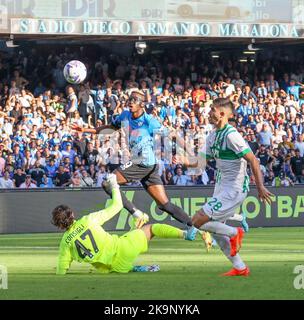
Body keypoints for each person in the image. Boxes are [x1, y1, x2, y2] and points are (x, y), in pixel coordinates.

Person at [72, 91, 198, 241]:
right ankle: (192, 226)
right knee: (164, 204)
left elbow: (174, 135)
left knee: (108, 182)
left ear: (141, 104)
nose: (130, 102)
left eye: (134, 100)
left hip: (142, 162)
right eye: (129, 99)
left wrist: (190, 151)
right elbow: (111, 127)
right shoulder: (125, 115)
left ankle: (137, 214)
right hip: (149, 166)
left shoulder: (149, 121)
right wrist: (85, 130)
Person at [180, 98, 273, 276]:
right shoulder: (213, 135)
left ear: (221, 114)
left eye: (212, 110)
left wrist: (260, 186)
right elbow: (200, 162)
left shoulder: (232, 135)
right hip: (221, 186)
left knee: (198, 220)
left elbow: (253, 159)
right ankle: (240, 267)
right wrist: (185, 162)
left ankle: (234, 232)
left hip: (235, 188)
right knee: (214, 231)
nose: (208, 113)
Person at [52, 174, 193, 275]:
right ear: (72, 215)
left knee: (132, 232)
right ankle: (187, 234)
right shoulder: (88, 220)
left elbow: (61, 270)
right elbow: (118, 205)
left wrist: (61, 272)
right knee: (152, 228)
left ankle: (133, 268)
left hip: (114, 269)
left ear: (58, 224)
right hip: (123, 249)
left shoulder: (65, 242)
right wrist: (114, 185)